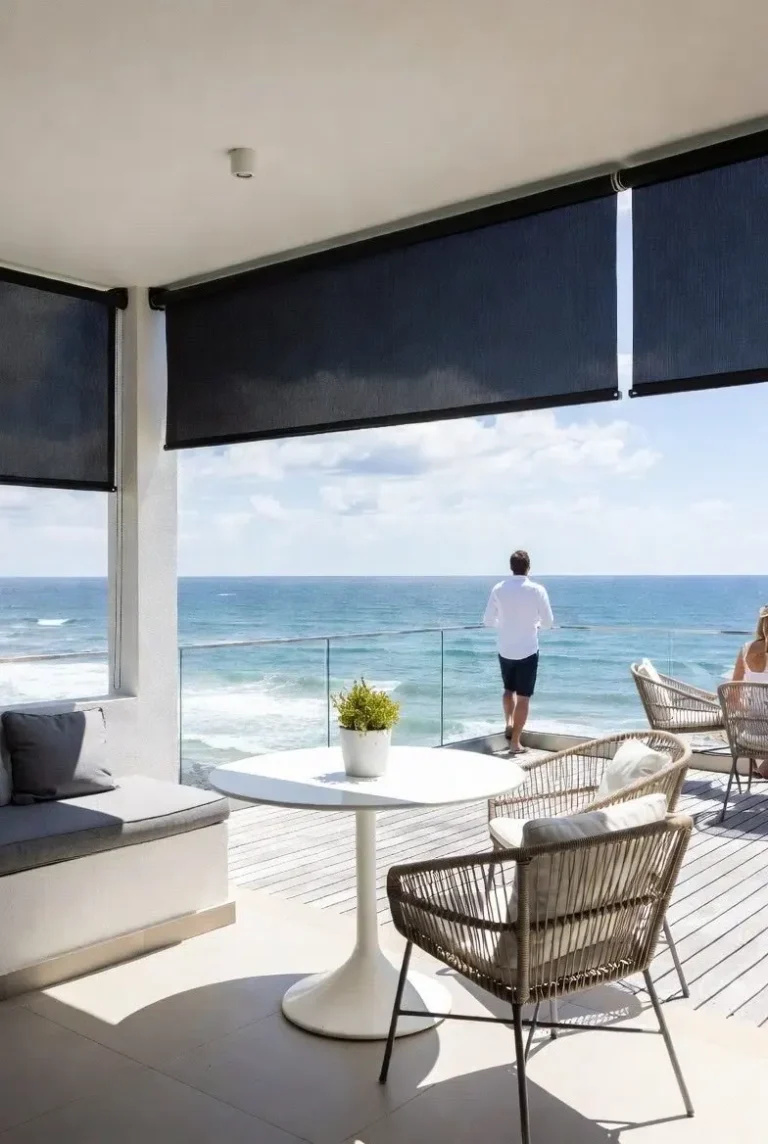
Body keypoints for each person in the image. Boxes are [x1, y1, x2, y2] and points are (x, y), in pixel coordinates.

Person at [483, 550, 554, 753]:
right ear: (528, 567)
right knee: (523, 697)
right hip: (528, 650)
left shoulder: (498, 589)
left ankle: (508, 722)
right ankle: (515, 743)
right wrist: (536, 624)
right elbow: (548, 622)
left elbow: (488, 620)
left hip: (505, 648)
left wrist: (504, 624)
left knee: (508, 689)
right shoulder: (537, 590)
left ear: (511, 567)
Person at [732, 604, 768, 777]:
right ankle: (764, 769)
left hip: (750, 726)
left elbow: (732, 693)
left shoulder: (746, 649)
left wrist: (743, 715)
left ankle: (758, 765)